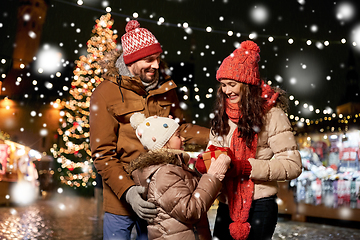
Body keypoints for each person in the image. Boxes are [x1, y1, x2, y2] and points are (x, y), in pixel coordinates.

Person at [89, 20, 209, 240]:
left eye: (157, 59)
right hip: (121, 201)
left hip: (158, 197)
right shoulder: (105, 93)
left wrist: (214, 136)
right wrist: (128, 192)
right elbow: (103, 154)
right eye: (148, 60)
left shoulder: (166, 89)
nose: (156, 65)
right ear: (131, 61)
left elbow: (178, 129)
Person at [208, 40, 302, 240]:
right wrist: (206, 160)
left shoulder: (272, 115)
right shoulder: (222, 115)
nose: (227, 91)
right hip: (227, 203)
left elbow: (293, 165)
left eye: (232, 85)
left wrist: (248, 168)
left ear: (247, 85)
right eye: (223, 85)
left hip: (260, 205)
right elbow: (213, 149)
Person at [127, 112, 231, 240]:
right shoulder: (164, 174)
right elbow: (190, 211)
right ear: (164, 143)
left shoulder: (175, 167)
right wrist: (213, 177)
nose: (183, 139)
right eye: (177, 136)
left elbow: (197, 196)